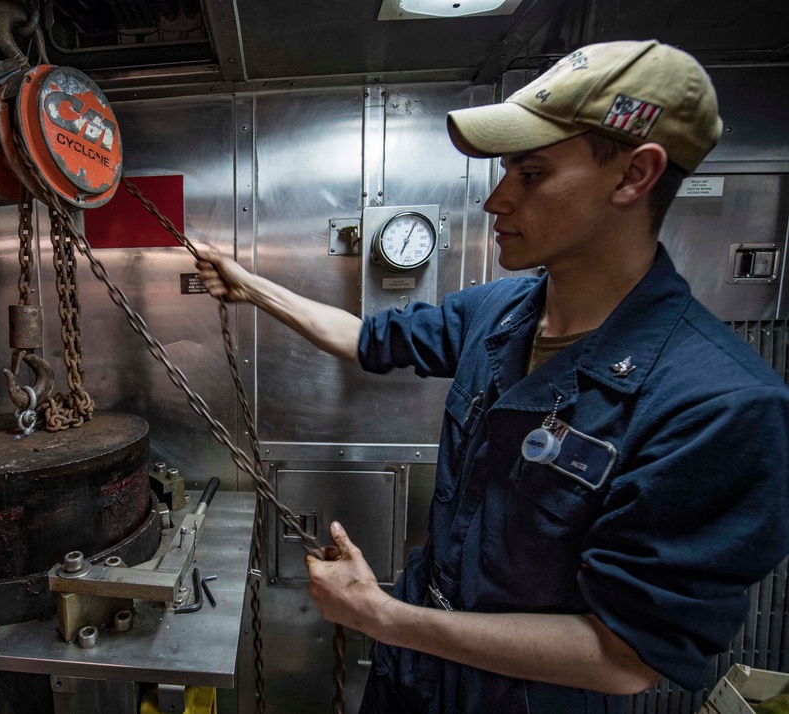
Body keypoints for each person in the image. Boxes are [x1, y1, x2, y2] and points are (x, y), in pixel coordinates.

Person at [195, 40, 789, 713]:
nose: (496, 201)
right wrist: (250, 288)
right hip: (415, 675)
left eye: (530, 174)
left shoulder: (718, 403)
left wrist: (384, 618)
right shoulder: (499, 311)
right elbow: (365, 339)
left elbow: (624, 658)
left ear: (634, 175)